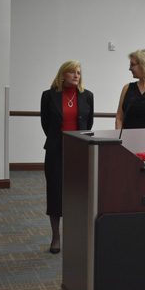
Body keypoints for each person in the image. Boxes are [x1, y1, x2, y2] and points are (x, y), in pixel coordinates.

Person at [40, 60, 94, 254]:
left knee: (78, 192)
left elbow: (88, 124)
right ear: (63, 74)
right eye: (72, 72)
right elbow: (46, 124)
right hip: (56, 150)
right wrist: (59, 140)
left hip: (79, 150)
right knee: (55, 192)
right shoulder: (48, 96)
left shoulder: (87, 96)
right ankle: (56, 236)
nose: (76, 75)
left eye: (79, 72)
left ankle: (76, 234)